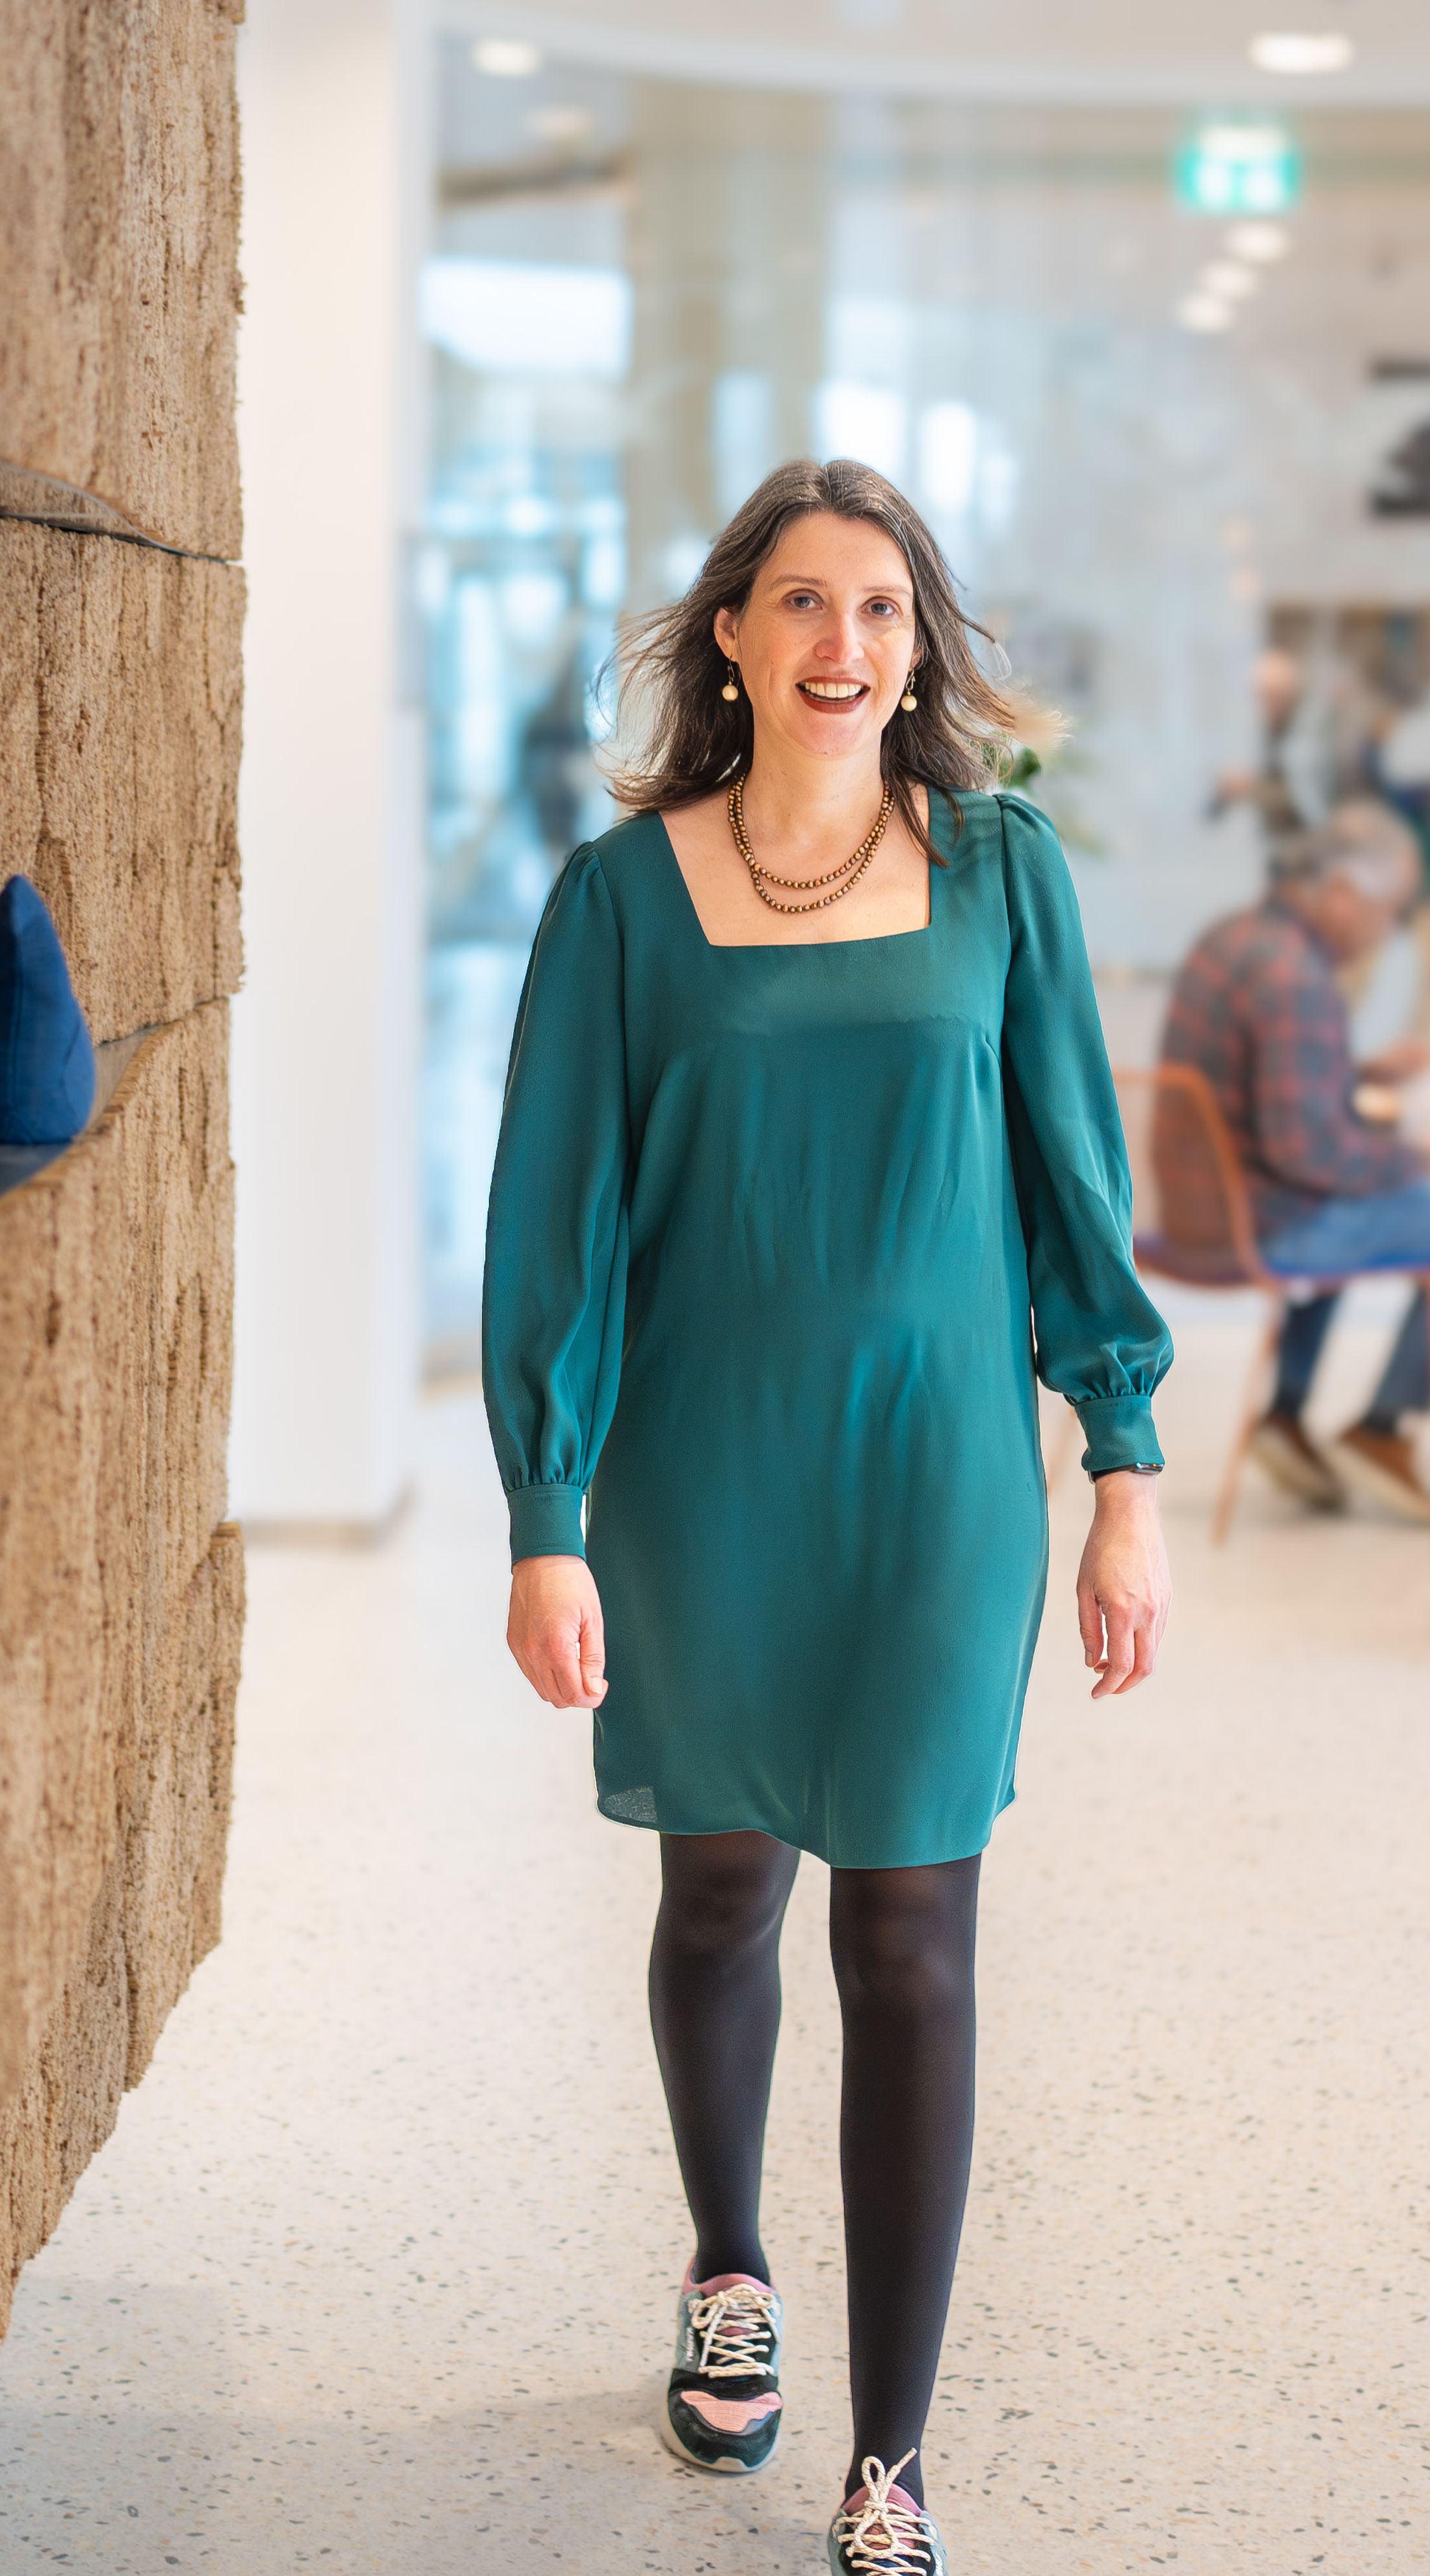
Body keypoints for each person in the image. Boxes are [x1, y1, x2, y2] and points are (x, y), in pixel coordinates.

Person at [483, 459, 1171, 2576]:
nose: (843, 641)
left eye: (882, 606)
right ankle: (726, 2261)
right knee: (720, 1901)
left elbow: (1075, 1185)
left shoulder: (1001, 872)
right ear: (735, 641)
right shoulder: (621, 896)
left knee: (915, 1938)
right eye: (803, 603)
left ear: (916, 648)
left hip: (940, 1482)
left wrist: (1125, 1474)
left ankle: (895, 2451)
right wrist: (547, 1509)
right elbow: (556, 1227)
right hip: (701, 1477)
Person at [1161, 801, 1430, 1517]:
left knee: (1366, 1195)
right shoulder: (1295, 975)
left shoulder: (1236, 938)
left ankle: (1286, 1414)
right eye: (1388, 911)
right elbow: (1308, 1150)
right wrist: (1410, 1161)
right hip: (1260, 1222)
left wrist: (1362, 1075)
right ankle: (1382, 1428)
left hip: (1193, 1210)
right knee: (1400, 1196)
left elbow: (1271, 1096)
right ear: (1342, 892)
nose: (1385, 932)